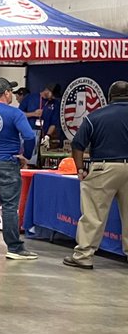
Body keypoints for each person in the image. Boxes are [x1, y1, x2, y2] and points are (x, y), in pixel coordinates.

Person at [63, 80, 128, 270]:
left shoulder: (95, 116)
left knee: (93, 214)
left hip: (103, 168)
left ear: (109, 97)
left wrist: (80, 169)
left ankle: (83, 256)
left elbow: (77, 145)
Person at [0, 77, 38, 260]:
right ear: (5, 93)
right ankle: (14, 248)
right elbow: (29, 136)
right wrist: (26, 156)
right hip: (6, 164)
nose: (11, 94)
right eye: (10, 91)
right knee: (10, 207)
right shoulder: (15, 113)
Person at [39, 83, 63, 147]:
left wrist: (47, 136)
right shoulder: (32, 98)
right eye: (52, 95)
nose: (53, 97)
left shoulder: (55, 103)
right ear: (47, 90)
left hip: (45, 134)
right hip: (32, 134)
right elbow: (21, 114)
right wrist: (32, 114)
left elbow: (54, 123)